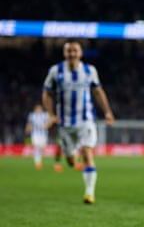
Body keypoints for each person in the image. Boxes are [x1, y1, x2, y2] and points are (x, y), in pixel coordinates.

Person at [42, 39, 115, 204]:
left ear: (81, 53)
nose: (72, 54)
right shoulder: (55, 71)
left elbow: (98, 91)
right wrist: (51, 114)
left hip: (86, 121)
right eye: (69, 51)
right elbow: (46, 93)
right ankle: (74, 153)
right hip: (65, 124)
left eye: (75, 50)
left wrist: (108, 112)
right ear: (64, 53)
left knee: (88, 153)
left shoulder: (89, 70)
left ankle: (89, 193)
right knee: (71, 161)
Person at [25, 103, 51, 169]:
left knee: (42, 147)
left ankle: (38, 161)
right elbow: (29, 123)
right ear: (35, 109)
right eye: (38, 108)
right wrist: (27, 129)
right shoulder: (32, 115)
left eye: (40, 108)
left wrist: (46, 125)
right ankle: (38, 163)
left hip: (44, 134)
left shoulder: (45, 115)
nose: (39, 110)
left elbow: (49, 123)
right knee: (37, 147)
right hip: (35, 134)